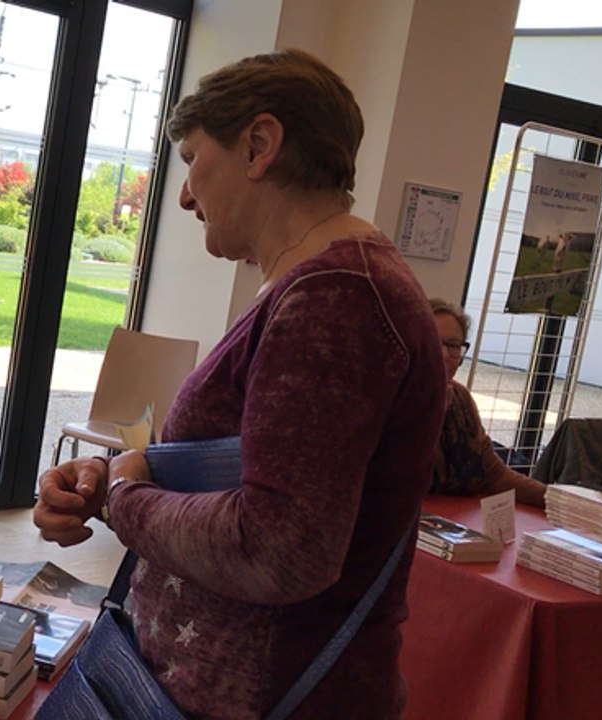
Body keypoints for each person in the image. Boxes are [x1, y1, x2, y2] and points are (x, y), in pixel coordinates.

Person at [33, 49, 446, 720]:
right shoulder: (321, 287)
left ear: (259, 146)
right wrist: (112, 476)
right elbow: (250, 469)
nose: (186, 193)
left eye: (194, 159)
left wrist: (121, 500)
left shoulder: (334, 299)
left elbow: (276, 548)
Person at [429, 298, 547, 507]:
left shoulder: (460, 399)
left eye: (454, 345)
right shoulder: (389, 397)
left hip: (455, 521)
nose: (445, 355)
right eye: (435, 342)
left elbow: (494, 474)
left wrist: (557, 501)